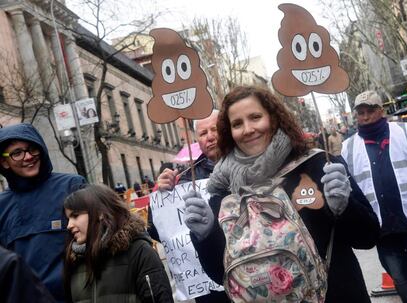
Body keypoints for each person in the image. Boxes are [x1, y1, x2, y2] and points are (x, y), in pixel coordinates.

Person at [183, 86, 380, 303]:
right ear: (229, 131)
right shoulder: (223, 191)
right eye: (237, 123)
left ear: (274, 118)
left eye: (255, 117)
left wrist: (345, 208)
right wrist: (206, 235)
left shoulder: (318, 165)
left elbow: (367, 237)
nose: (247, 129)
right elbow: (219, 273)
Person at [0, 123, 86, 302]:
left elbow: (103, 235)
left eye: (33, 149)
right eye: (17, 153)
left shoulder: (72, 186)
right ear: (3, 162)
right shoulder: (1, 206)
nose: (29, 157)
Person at [342, 90, 407, 303]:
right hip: (381, 229)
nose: (365, 117)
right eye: (360, 112)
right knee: (400, 280)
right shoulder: (348, 147)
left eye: (370, 111)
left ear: (381, 111)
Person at [151, 109, 230, 303]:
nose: (210, 137)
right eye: (203, 133)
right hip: (209, 286)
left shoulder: (249, 166)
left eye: (215, 129)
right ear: (196, 139)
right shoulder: (184, 179)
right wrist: (161, 196)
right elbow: (158, 233)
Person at [63, 184, 173, 303]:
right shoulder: (73, 261)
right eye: (68, 218)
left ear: (100, 213)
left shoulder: (139, 252)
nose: (69, 225)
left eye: (75, 216)